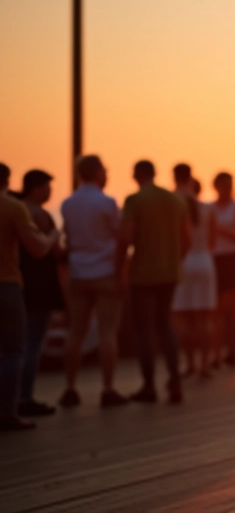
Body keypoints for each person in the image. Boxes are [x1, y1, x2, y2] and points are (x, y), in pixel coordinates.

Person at [60, 155, 128, 408]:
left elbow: (68, 237)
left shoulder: (68, 204)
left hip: (78, 272)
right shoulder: (107, 203)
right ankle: (108, 389)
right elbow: (120, 238)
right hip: (105, 272)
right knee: (107, 332)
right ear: (98, 172)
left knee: (75, 332)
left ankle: (70, 387)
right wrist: (121, 272)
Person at [119, 161, 188, 404]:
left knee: (144, 330)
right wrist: (174, 259)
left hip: (142, 274)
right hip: (170, 273)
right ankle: (175, 379)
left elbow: (126, 237)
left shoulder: (134, 200)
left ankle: (149, 385)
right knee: (165, 324)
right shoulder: (175, 201)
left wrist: (120, 268)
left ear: (137, 175)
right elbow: (186, 237)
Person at [1, 163, 59, 431]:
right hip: (8, 284)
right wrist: (51, 237)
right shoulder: (13, 208)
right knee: (15, 350)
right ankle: (10, 409)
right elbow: (37, 249)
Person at [16, 170, 65, 418]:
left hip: (18, 284)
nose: (50, 192)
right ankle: (25, 397)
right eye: (47, 187)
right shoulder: (41, 215)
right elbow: (55, 252)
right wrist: (56, 235)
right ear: (36, 188)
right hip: (40, 287)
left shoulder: (16, 209)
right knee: (32, 343)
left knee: (13, 345)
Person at [171, 176, 217, 378]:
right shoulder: (208, 210)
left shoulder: (175, 208)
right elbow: (213, 241)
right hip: (204, 261)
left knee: (185, 318)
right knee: (205, 317)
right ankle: (204, 364)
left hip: (183, 262)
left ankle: (189, 363)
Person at [210, 172, 235, 368]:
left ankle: (232, 352)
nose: (226, 189)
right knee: (215, 312)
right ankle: (216, 354)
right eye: (222, 185)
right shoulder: (210, 208)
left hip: (233, 261)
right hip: (215, 260)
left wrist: (223, 231)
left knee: (234, 312)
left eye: (229, 185)